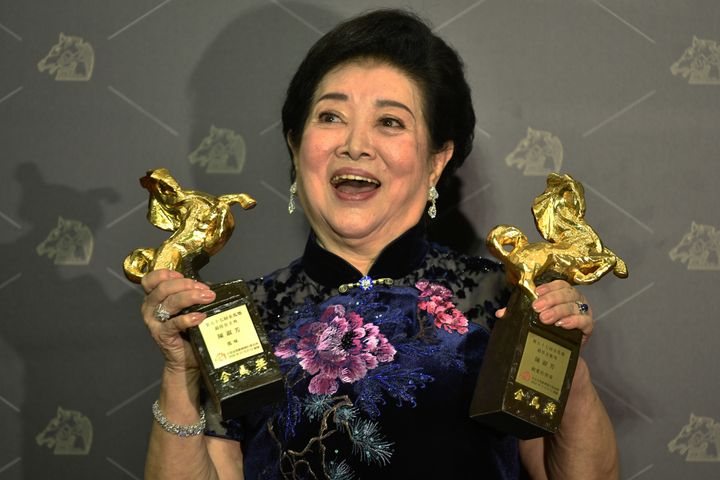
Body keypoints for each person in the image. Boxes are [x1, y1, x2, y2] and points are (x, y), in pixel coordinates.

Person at [140, 9, 619, 479]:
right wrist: (179, 373)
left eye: (390, 122)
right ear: (295, 144)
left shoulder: (504, 300)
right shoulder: (236, 319)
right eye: (331, 116)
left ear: (436, 159)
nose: (355, 144)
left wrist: (565, 356)